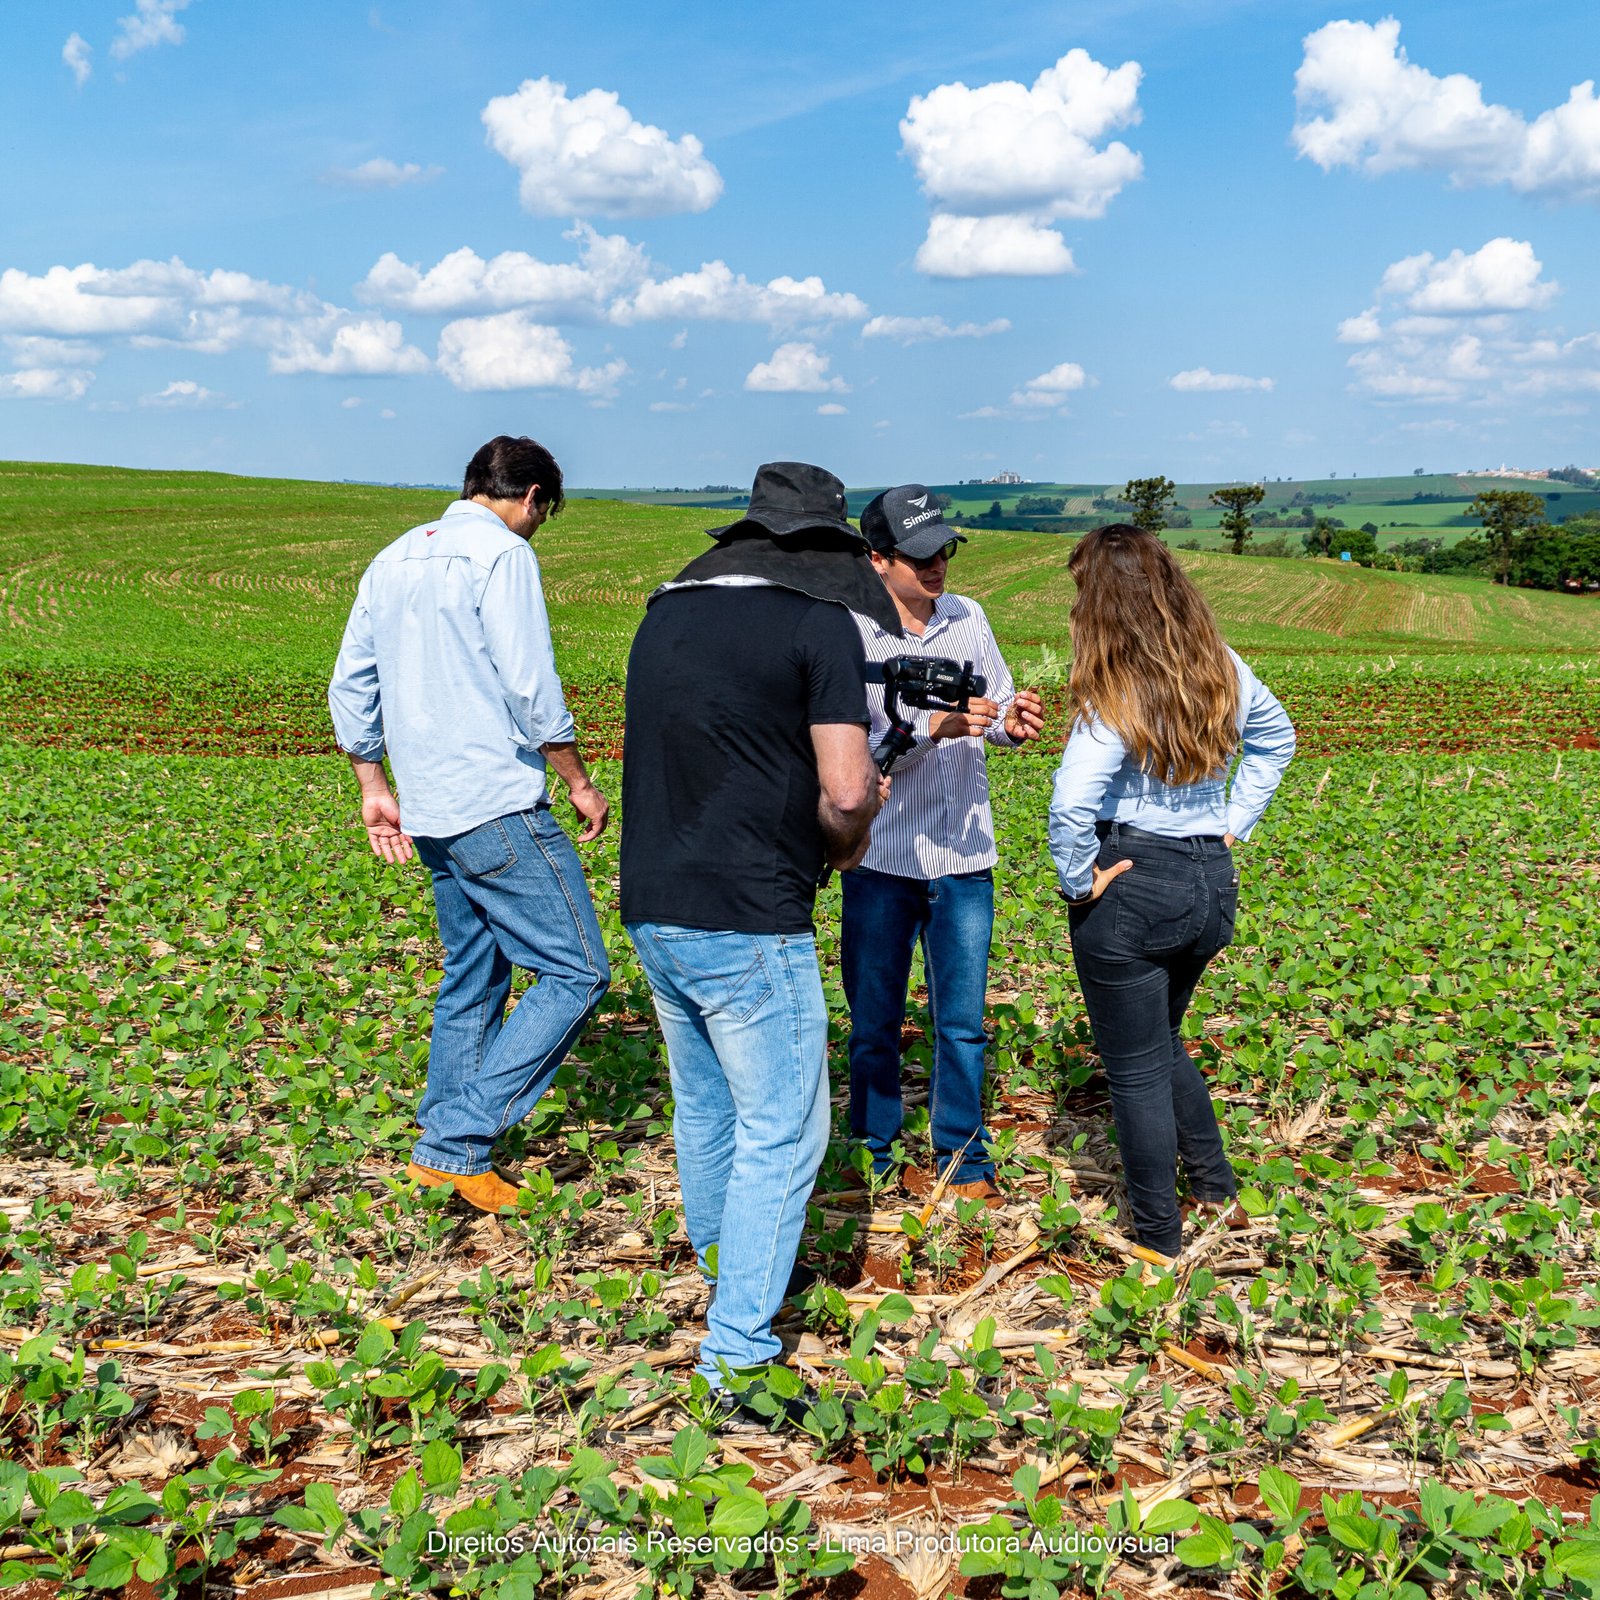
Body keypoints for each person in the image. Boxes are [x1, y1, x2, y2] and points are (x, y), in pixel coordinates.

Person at [621, 460, 894, 1401]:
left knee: (706, 1109)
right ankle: (738, 1349)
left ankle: (722, 1270)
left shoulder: (663, 616)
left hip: (656, 901)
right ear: (822, 551)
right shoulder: (816, 624)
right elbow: (849, 788)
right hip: (751, 914)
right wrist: (849, 831)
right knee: (785, 1127)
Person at [328, 435, 611, 1213]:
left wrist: (372, 783)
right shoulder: (502, 557)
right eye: (542, 514)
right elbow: (530, 684)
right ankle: (455, 1139)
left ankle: (437, 1155)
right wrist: (579, 780)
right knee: (579, 971)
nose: (536, 527)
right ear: (530, 498)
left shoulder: (392, 557)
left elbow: (351, 682)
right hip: (496, 802)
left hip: (429, 809)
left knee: (474, 974)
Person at [1048, 524, 1294, 1258]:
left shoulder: (1114, 685)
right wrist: (1232, 824)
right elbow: (1277, 738)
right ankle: (1217, 1189)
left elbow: (1070, 800)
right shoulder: (1218, 664)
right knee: (1159, 1043)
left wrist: (1077, 877)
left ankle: (1159, 1240)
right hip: (1209, 885)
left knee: (1133, 1071)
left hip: (1132, 880)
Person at [842, 485, 1045, 1198]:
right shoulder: (852, 633)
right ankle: (874, 1147)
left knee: (961, 1023)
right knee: (875, 1022)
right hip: (880, 859)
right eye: (921, 554)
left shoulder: (970, 618)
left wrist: (1008, 722)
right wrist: (932, 729)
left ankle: (964, 1155)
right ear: (877, 559)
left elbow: (990, 708)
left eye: (946, 550)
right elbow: (853, 755)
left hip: (964, 859)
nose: (938, 567)